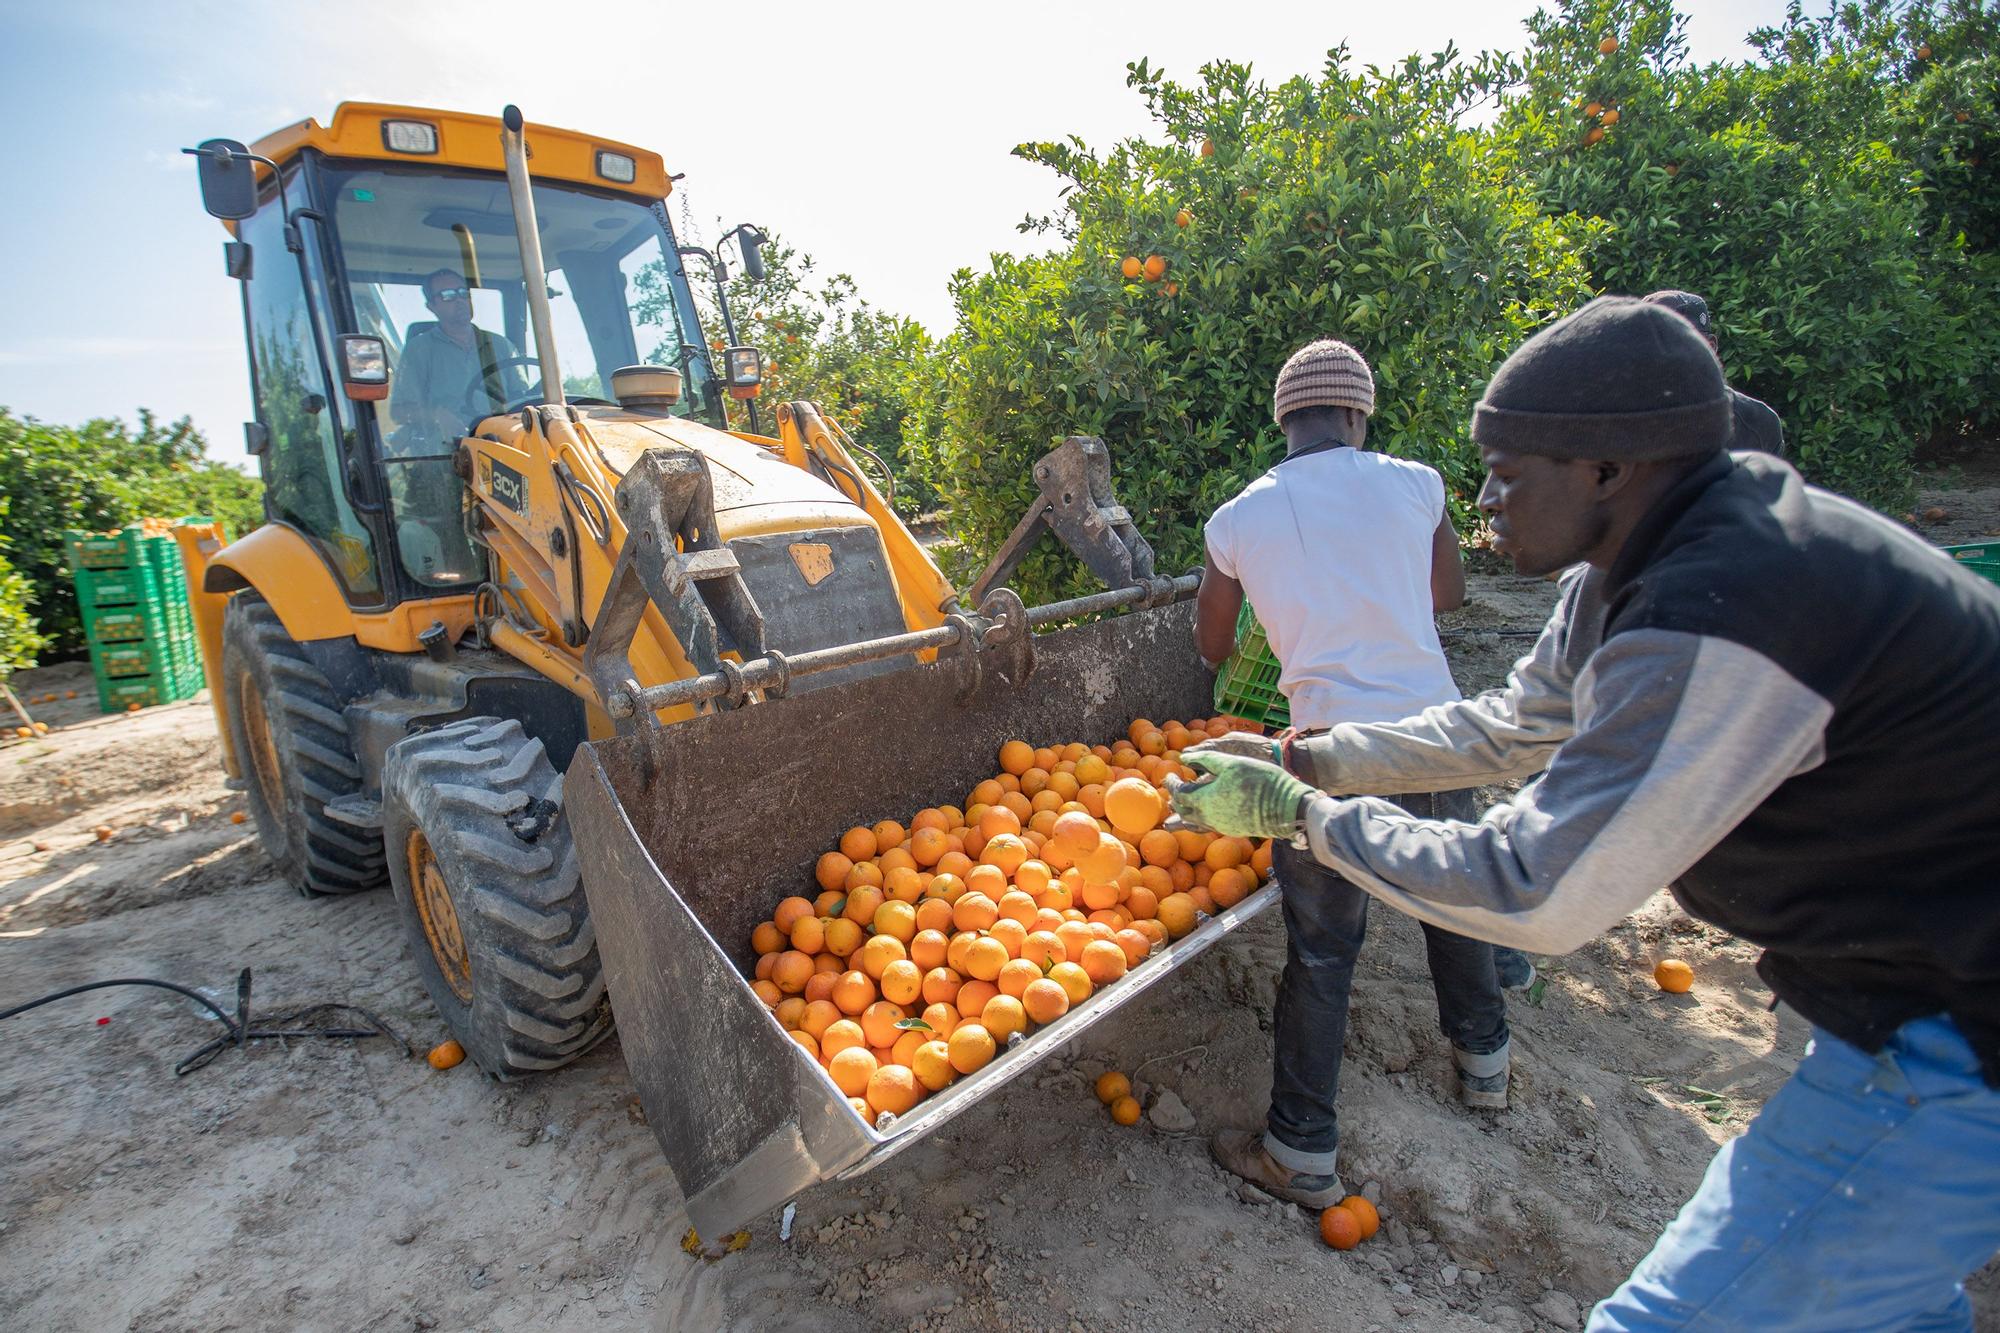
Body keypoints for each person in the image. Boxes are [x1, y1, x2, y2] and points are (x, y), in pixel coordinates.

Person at [1172, 296, 2000, 1330]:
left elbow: (1536, 893)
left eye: (1509, 473)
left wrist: (1302, 816)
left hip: (1962, 1020)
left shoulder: (1724, 602)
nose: (1481, 500)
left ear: (1607, 471)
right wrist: (1313, 756)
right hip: (1900, 984)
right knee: (1881, 1303)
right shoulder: (1626, 567)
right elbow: (1506, 727)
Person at [1194, 338, 1520, 1211]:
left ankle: (1301, 1149)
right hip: (1435, 731)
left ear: (1286, 421)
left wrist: (1283, 614)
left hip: (1331, 750)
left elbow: (1213, 646)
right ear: (1356, 414)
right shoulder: (1416, 483)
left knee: (1325, 947)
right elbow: (1446, 592)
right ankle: (1484, 1064)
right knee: (1451, 898)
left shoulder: (1238, 516)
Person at [387, 268, 525, 452]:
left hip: (501, 447)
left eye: (463, 293)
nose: (459, 300)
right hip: (445, 456)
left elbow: (522, 399)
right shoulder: (418, 350)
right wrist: (437, 416)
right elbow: (399, 412)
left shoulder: (501, 346)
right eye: (448, 295)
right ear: (431, 306)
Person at [1642, 289, 1785, 456]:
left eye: (1686, 341)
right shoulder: (1616, 418)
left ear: (1711, 346)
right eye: (1660, 344)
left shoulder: (1757, 423)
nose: (1672, 354)